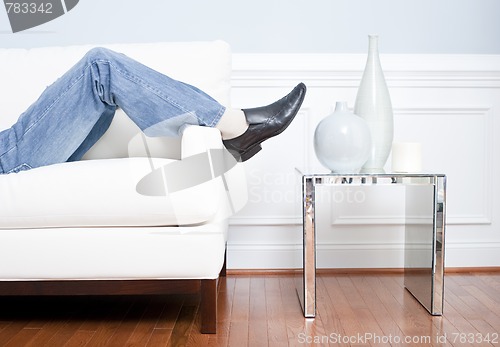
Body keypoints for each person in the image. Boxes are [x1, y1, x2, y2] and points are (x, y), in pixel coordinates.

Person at [0, 47, 306, 175]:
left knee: (99, 84)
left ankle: (232, 127)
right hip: (7, 160)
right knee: (100, 67)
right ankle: (237, 126)